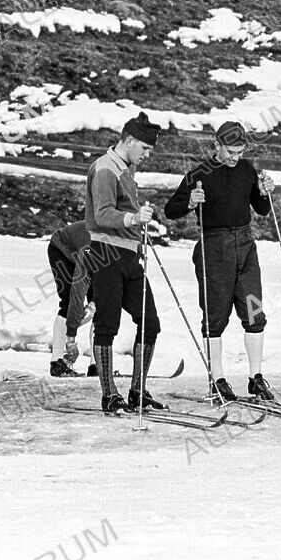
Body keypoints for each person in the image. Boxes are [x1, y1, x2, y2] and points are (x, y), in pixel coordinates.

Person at [164, 121, 276, 402]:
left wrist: (264, 192)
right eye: (230, 151)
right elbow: (170, 210)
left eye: (239, 152)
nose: (234, 157)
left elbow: (261, 210)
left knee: (254, 310)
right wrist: (190, 202)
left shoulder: (247, 170)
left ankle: (256, 377)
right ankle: (218, 378)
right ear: (216, 146)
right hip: (214, 248)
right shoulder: (199, 174)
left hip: (246, 245)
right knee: (215, 316)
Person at [85, 112, 166, 415]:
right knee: (107, 324)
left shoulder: (125, 168)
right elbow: (102, 212)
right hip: (106, 254)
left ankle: (137, 391)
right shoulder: (105, 169)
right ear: (129, 140)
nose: (147, 155)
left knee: (150, 322)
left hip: (130, 255)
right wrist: (133, 218)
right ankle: (109, 394)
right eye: (144, 148)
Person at [46, 220, 93, 378]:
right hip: (61, 250)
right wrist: (71, 339)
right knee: (68, 302)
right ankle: (57, 363)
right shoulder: (93, 245)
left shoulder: (117, 244)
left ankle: (97, 363)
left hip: (87, 256)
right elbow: (77, 297)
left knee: (101, 307)